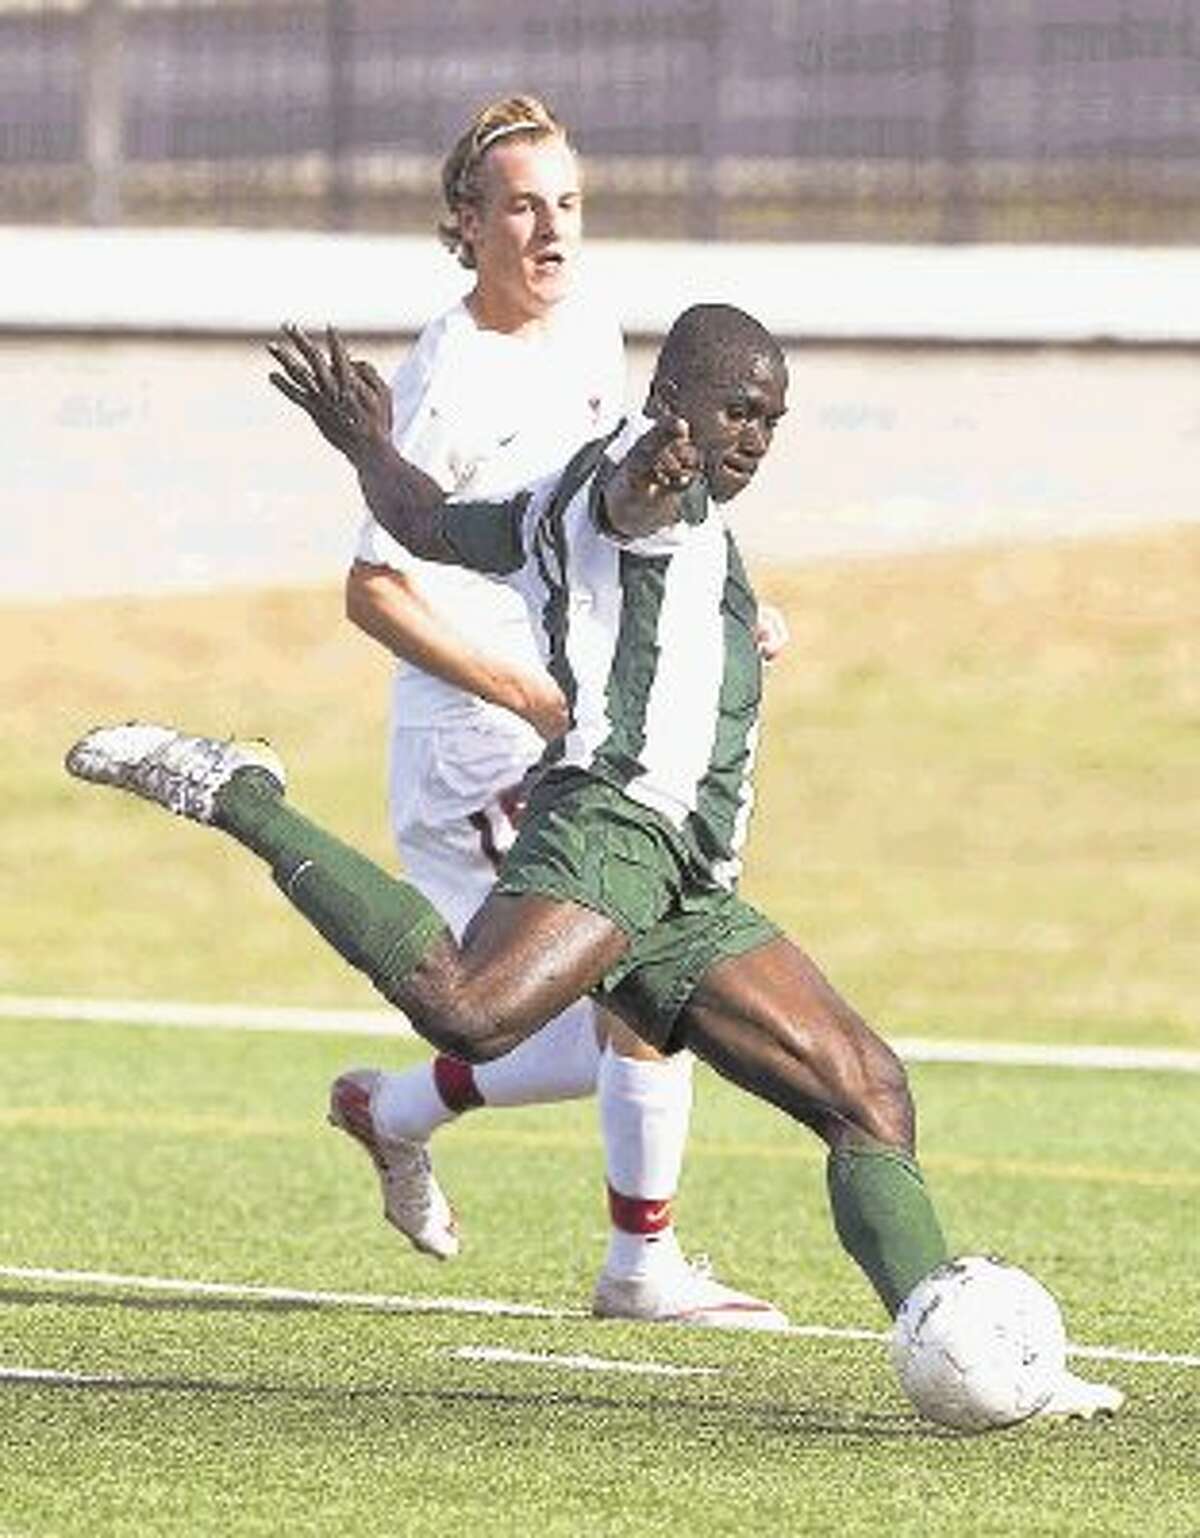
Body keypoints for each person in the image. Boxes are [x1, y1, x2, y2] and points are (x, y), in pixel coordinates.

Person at [66, 303, 1121, 1418]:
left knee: (867, 1091)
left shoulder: (555, 509)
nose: (756, 436)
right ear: (674, 403)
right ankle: (240, 793)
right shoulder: (642, 479)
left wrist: (370, 447)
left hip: (688, 876)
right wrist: (656, 468)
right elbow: (636, 494)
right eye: (737, 412)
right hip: (615, 823)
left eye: (773, 418)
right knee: (471, 1011)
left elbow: (425, 522)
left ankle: (966, 1346)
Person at [324, 96, 786, 1326]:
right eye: (522, 205)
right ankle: (640, 1264)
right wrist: (527, 691)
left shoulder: (587, 325)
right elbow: (376, 587)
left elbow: (623, 505)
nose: (551, 228)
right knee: (637, 983)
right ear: (466, 224)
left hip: (572, 731)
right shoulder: (450, 375)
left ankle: (396, 1108)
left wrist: (726, 604)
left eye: (567, 203)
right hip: (482, 749)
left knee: (609, 1016)